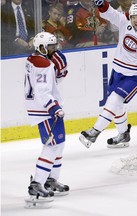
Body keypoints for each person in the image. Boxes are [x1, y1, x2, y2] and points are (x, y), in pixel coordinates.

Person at [79, 1, 137, 148]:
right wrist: (102, 4)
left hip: (135, 76)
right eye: (134, 17)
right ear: (130, 17)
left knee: (114, 100)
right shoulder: (125, 21)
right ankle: (123, 134)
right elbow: (111, 14)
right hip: (117, 71)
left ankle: (94, 131)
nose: (136, 20)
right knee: (116, 106)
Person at [24, 32, 69, 199]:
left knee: (60, 143)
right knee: (52, 147)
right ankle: (37, 183)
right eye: (51, 47)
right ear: (41, 47)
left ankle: (51, 179)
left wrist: (58, 71)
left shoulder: (33, 59)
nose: (54, 49)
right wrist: (54, 108)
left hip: (42, 107)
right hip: (45, 110)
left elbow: (50, 82)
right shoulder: (44, 64)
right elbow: (43, 91)